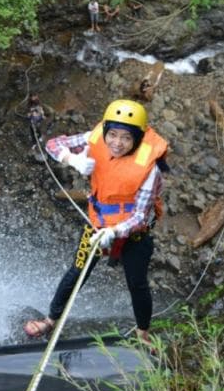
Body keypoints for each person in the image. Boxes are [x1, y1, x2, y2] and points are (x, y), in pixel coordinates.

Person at [23, 99, 169, 345]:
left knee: (137, 283)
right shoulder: (96, 137)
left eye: (126, 138)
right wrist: (72, 159)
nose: (117, 143)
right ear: (106, 131)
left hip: (133, 233)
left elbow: (140, 216)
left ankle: (143, 333)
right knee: (77, 271)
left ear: (137, 138)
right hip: (97, 223)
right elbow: (52, 144)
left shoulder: (149, 169)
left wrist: (114, 232)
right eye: (112, 135)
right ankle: (51, 320)